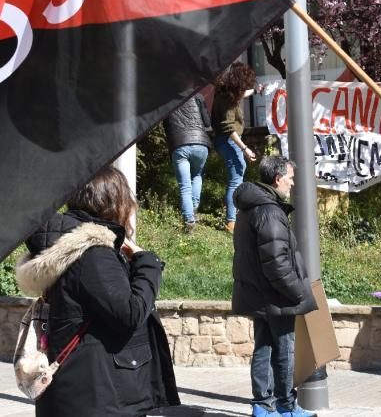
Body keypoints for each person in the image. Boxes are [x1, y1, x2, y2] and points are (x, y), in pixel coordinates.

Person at [16, 166, 179, 416]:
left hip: (77, 389)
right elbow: (129, 313)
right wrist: (148, 264)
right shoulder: (93, 255)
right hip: (98, 395)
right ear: (113, 201)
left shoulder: (63, 248)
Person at [232, 156, 317, 417]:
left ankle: (263, 406)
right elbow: (277, 263)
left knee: (264, 347)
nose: (292, 184)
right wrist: (299, 292)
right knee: (284, 350)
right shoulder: (269, 211)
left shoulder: (251, 207)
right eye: (290, 178)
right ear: (278, 179)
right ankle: (286, 406)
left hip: (259, 295)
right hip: (276, 296)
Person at [213, 62, 259, 232]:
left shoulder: (226, 93)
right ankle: (231, 221)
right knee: (236, 178)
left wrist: (256, 91)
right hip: (229, 140)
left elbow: (241, 95)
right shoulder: (227, 99)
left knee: (238, 174)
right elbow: (229, 128)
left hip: (226, 140)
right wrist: (244, 148)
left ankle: (233, 218)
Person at [163, 92, 213, 233]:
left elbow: (166, 126)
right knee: (197, 176)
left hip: (179, 144)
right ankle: (194, 207)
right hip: (201, 143)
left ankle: (189, 220)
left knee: (185, 186)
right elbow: (208, 123)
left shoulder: (166, 100)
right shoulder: (198, 95)